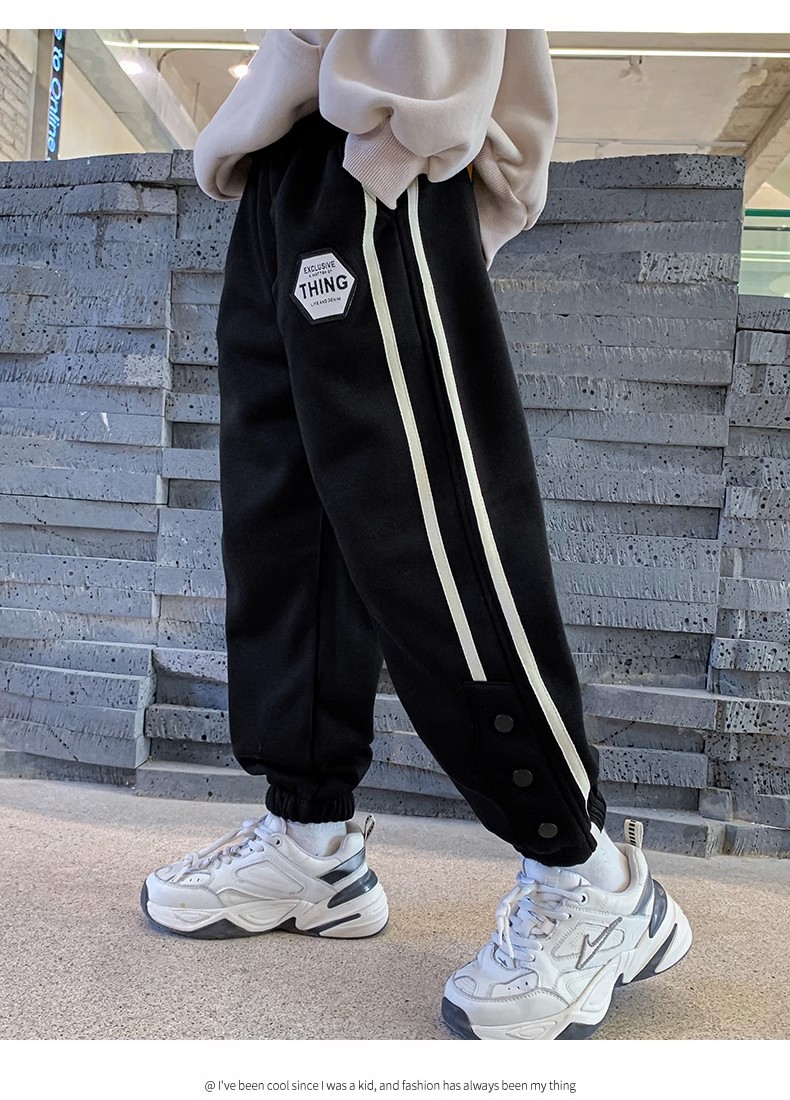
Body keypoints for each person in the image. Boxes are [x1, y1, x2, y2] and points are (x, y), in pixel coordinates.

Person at [140, 29, 691, 1041]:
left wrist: (403, 129)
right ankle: (310, 839)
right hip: (279, 170)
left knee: (429, 533)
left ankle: (589, 874)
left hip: (378, 142)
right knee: (283, 525)